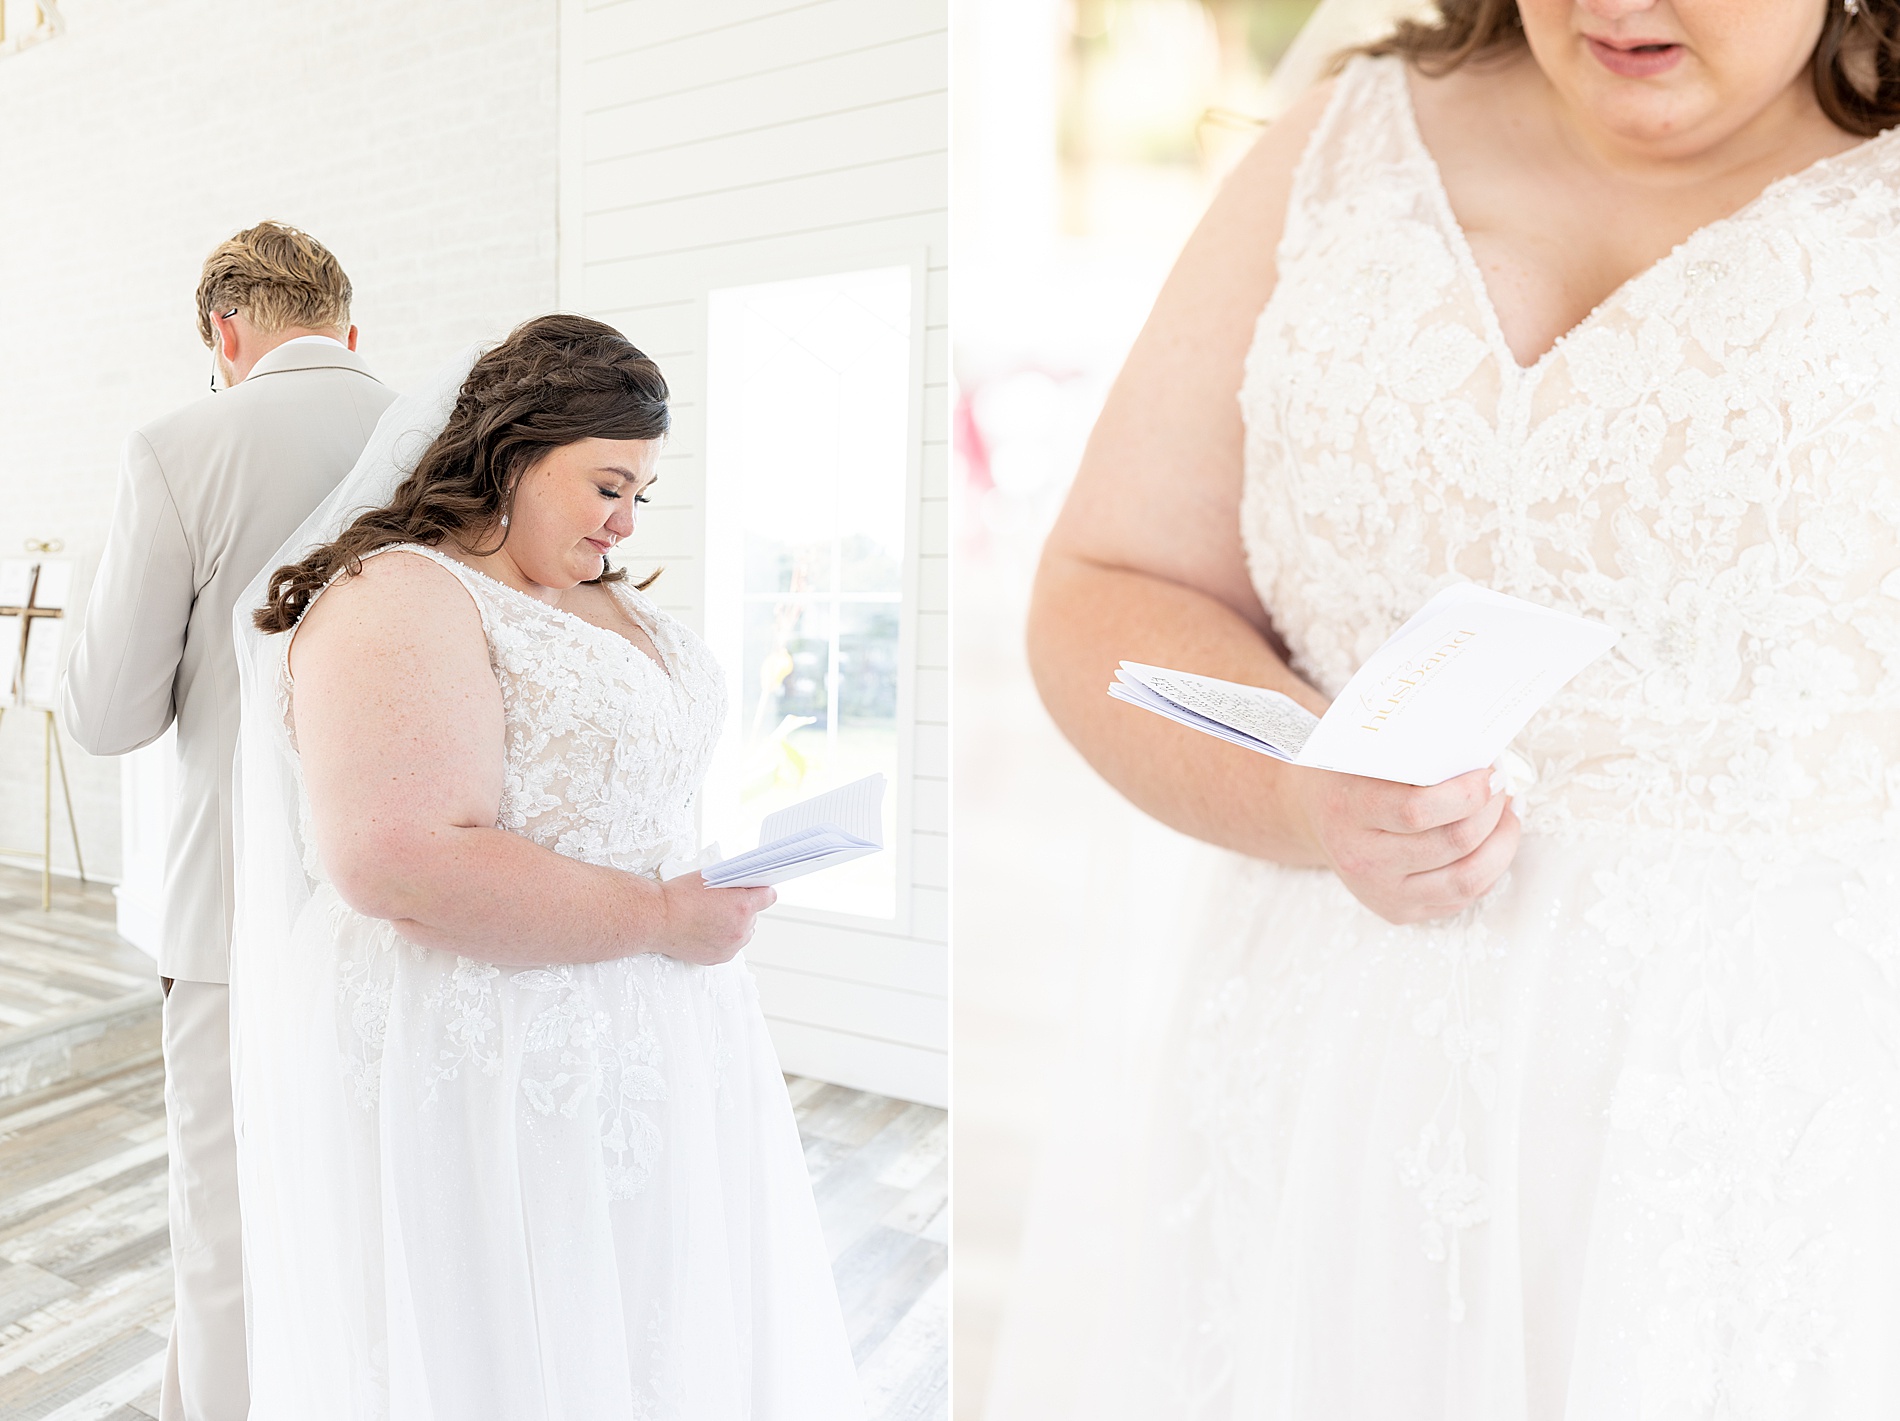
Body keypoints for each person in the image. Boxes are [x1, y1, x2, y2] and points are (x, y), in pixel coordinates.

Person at [1015, 0, 1900, 1416]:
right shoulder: (1344, 145)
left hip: (1768, 1155)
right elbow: (1106, 586)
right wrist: (1302, 794)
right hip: (1333, 1105)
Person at [227, 315, 862, 1419]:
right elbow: (398, 859)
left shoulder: (597, 592)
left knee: (642, 1324)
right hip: (486, 1043)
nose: (624, 521)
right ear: (514, 453)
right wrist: (663, 914)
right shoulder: (399, 595)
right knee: (513, 1340)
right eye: (607, 484)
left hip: (649, 1031)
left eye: (642, 494)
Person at [61, 221, 393, 1421]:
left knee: (229, 1222)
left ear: (225, 333)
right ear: (349, 331)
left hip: (234, 907)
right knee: (367, 1205)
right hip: (402, 901)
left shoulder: (177, 445)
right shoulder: (443, 437)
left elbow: (105, 712)